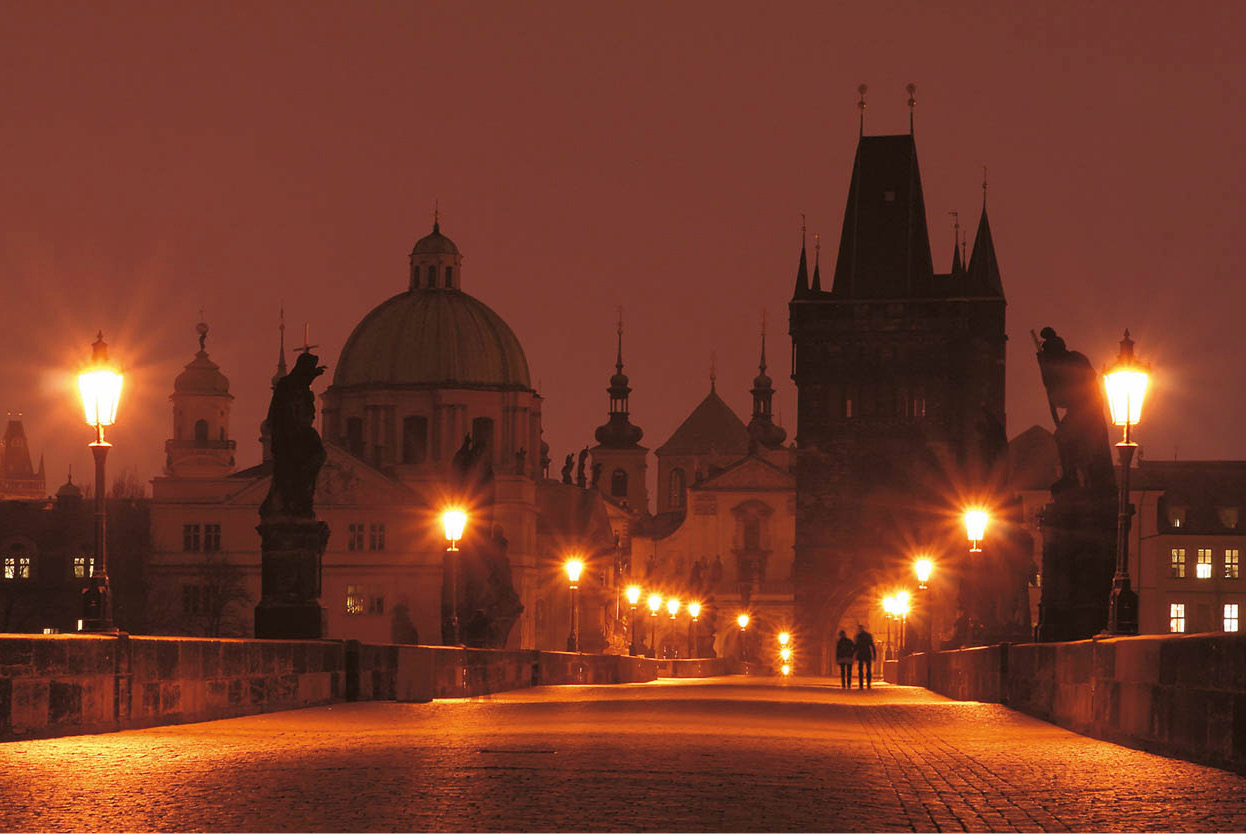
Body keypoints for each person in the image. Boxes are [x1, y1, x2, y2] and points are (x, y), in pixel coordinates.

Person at [854, 624, 876, 690]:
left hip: (861, 654)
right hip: (867, 654)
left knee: (860, 670)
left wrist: (853, 655)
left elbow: (856, 646)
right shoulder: (868, 636)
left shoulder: (858, 636)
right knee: (868, 669)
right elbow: (872, 645)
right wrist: (874, 655)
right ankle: (868, 684)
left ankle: (861, 685)